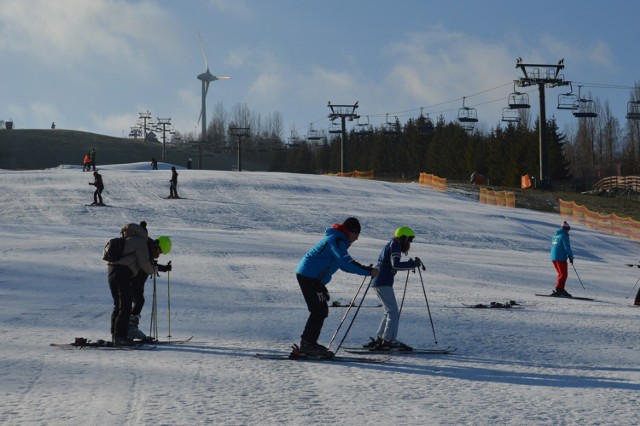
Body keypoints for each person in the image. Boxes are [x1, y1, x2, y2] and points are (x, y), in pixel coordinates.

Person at [295, 217, 379, 357]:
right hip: (308, 276)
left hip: (312, 278)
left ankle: (309, 343)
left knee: (320, 310)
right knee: (318, 310)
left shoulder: (339, 239)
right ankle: (307, 344)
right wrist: (367, 271)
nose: (357, 239)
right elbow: (346, 262)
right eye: (357, 234)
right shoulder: (337, 240)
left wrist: (365, 270)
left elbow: (342, 265)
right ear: (351, 231)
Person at [366, 226, 421, 351]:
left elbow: (390, 265)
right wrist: (411, 264)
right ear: (403, 237)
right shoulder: (395, 244)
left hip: (378, 281)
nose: (410, 243)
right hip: (383, 281)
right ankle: (389, 340)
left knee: (388, 311)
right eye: (410, 240)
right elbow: (395, 265)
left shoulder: (391, 244)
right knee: (393, 312)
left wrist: (408, 265)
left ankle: (381, 338)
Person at [107, 223, 156, 346]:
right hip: (123, 273)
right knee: (126, 306)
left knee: (118, 305)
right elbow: (144, 263)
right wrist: (153, 270)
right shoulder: (139, 241)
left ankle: (115, 335)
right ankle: (120, 337)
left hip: (111, 271)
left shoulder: (125, 238)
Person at [128, 221, 172, 341]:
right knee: (139, 301)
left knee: (134, 302)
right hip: (133, 280)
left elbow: (151, 264)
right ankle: (130, 328)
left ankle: (127, 329)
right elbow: (148, 265)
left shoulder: (149, 248)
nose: (159, 254)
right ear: (157, 246)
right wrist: (163, 268)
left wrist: (164, 268)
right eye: (160, 251)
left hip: (134, 280)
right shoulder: (147, 248)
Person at [550, 221, 574, 297]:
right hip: (560, 258)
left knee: (560, 274)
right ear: (566, 229)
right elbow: (567, 247)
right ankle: (560, 289)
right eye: (568, 229)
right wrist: (570, 256)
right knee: (563, 274)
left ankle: (559, 288)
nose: (568, 231)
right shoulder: (564, 235)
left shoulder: (555, 235)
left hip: (554, 257)